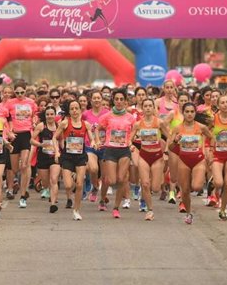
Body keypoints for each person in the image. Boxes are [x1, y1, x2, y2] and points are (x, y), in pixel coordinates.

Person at [166, 102, 212, 224]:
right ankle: (189, 212)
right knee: (185, 190)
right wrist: (175, 141)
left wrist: (210, 151)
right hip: (183, 160)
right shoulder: (177, 128)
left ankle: (197, 178)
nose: (190, 114)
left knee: (196, 186)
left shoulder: (201, 127)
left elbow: (212, 138)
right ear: (183, 113)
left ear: (195, 113)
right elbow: (170, 147)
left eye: (192, 112)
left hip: (198, 159)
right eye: (187, 112)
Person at [53, 100, 97, 220]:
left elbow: (91, 138)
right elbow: (54, 137)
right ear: (69, 111)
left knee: (79, 184)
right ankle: (72, 178)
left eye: (76, 108)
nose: (74, 111)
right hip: (67, 156)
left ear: (80, 110)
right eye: (72, 109)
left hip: (80, 156)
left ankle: (76, 210)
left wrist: (93, 143)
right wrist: (56, 151)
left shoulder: (86, 124)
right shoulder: (65, 123)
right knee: (68, 186)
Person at [128, 98, 170, 221]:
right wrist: (130, 145)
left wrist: (166, 150)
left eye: (149, 106)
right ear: (143, 109)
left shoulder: (159, 123)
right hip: (144, 155)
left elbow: (169, 137)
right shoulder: (137, 124)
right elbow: (129, 139)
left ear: (153, 108)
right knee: (145, 183)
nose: (147, 108)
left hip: (157, 157)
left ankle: (151, 185)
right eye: (145, 106)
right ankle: (150, 210)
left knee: (156, 188)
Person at [98, 89, 136, 218]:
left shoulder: (130, 117)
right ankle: (102, 199)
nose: (119, 102)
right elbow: (97, 128)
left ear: (125, 101)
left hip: (124, 150)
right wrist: (98, 141)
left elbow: (134, 132)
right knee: (110, 180)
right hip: (110, 150)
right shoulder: (107, 116)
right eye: (116, 99)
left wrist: (131, 142)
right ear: (113, 101)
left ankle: (116, 207)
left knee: (121, 179)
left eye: (121, 99)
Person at [3, 81, 39, 208]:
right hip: (14, 136)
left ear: (25, 91)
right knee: (14, 168)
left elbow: (35, 115)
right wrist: (9, 132)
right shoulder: (10, 103)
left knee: (24, 165)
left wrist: (34, 122)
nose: (19, 94)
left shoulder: (31, 102)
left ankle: (23, 195)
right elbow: (4, 119)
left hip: (26, 135)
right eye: (16, 92)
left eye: (22, 92)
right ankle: (19, 184)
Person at [30, 106, 61, 213]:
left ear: (55, 115)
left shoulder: (59, 126)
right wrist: (40, 144)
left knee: (54, 179)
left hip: (55, 156)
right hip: (43, 156)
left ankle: (53, 203)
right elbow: (31, 140)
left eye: (52, 114)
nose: (50, 116)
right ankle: (45, 188)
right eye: (47, 114)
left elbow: (62, 140)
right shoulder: (41, 126)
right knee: (46, 182)